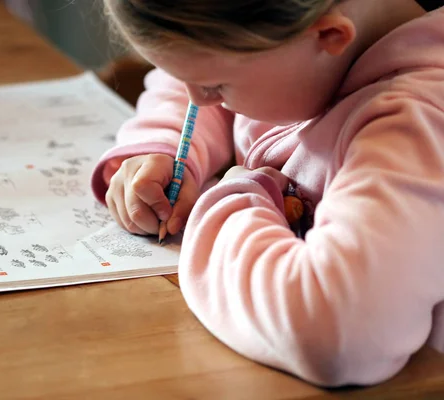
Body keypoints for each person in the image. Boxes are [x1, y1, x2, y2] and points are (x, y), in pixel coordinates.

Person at [89, 0, 444, 387]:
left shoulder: (412, 128)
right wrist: (165, 146)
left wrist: (235, 199)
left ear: (329, 36)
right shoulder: (297, 55)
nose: (196, 98)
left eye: (214, 87)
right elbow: (198, 67)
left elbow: (335, 333)